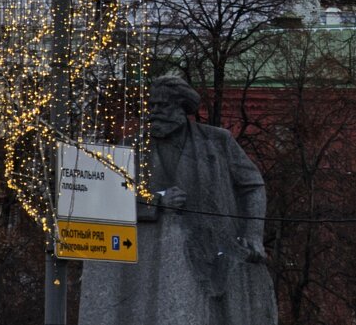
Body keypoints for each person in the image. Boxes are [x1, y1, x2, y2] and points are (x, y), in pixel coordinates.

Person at [79, 76, 276, 325]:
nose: (154, 113)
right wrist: (157, 202)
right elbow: (110, 204)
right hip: (155, 261)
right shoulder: (132, 148)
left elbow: (253, 186)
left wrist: (254, 234)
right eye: (151, 106)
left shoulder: (217, 141)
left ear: (182, 108)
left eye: (162, 106)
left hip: (217, 249)